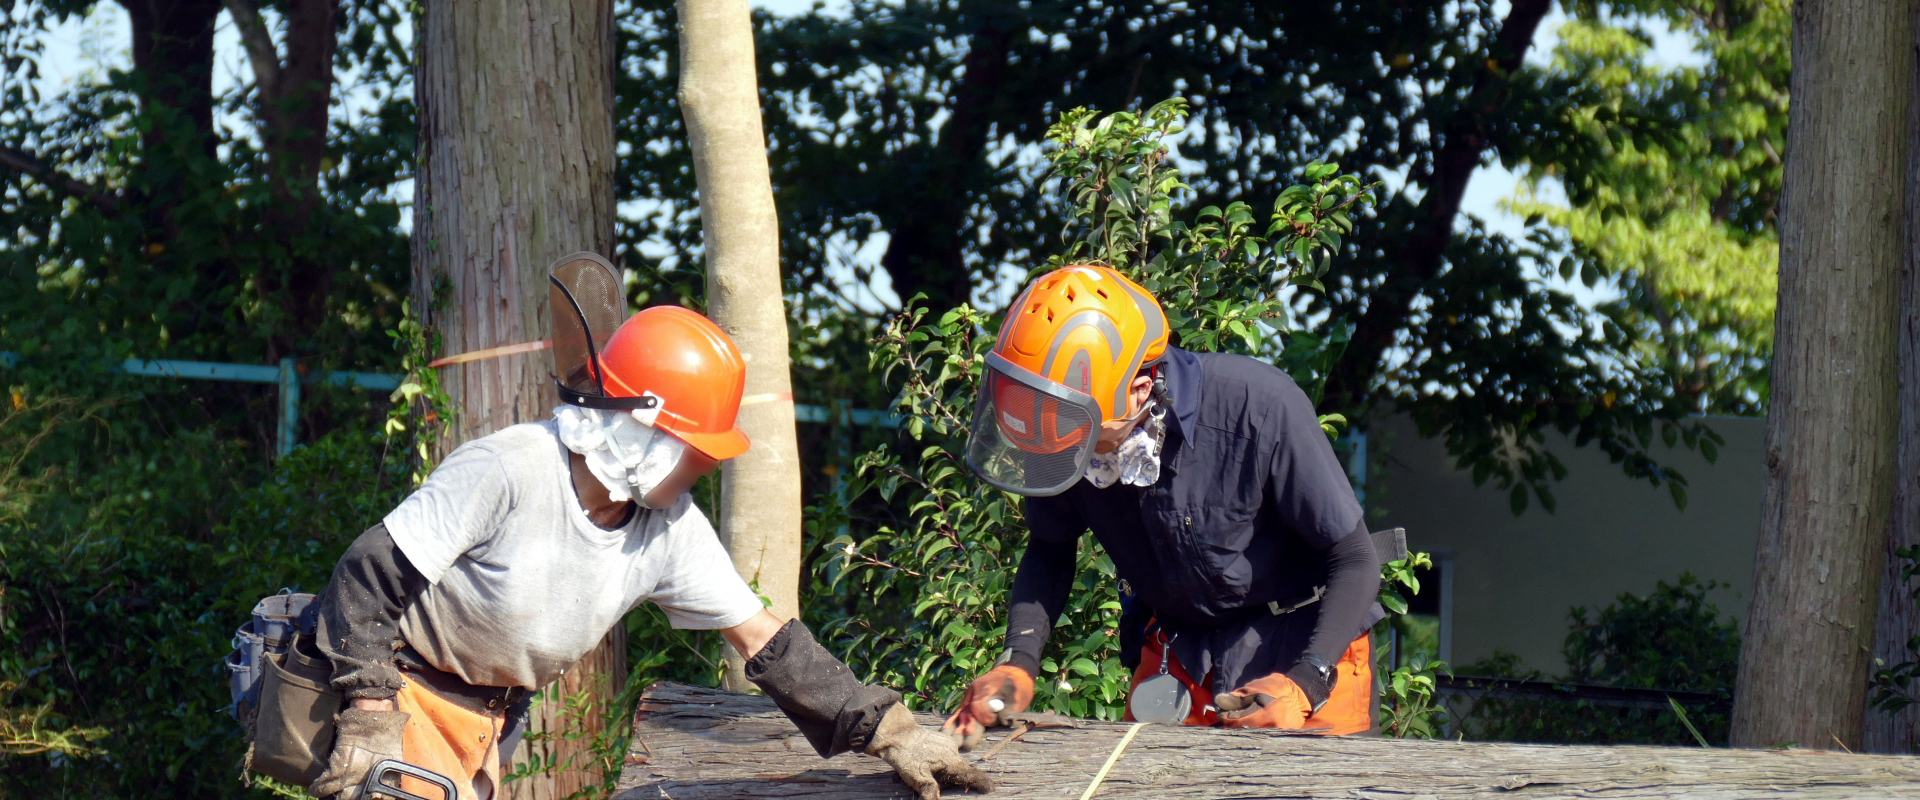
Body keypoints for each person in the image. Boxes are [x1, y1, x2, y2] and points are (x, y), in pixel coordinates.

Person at [311, 253, 990, 800]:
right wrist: (370, 712)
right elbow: (367, 576)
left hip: (489, 717)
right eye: (693, 452)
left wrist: (889, 729)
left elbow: (765, 639)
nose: (699, 469)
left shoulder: (668, 528)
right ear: (640, 430)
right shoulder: (509, 469)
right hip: (398, 692)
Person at [942, 264, 1382, 746]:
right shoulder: (1067, 425)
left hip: (1309, 646)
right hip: (1183, 653)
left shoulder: (1259, 406)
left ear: (1139, 390)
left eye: (1081, 436)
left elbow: (1355, 559)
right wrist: (1017, 661)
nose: (1067, 449)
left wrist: (1307, 682)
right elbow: (1050, 547)